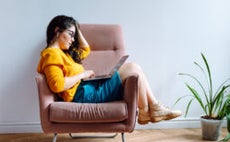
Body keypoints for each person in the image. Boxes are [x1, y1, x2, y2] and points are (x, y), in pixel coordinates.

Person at [37, 15, 182, 125]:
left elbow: (85, 49)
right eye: (70, 34)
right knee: (133, 67)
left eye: (73, 36)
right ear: (57, 31)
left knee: (135, 68)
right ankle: (150, 109)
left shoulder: (63, 53)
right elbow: (57, 85)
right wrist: (83, 74)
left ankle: (147, 110)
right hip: (82, 95)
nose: (73, 39)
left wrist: (76, 28)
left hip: (87, 89)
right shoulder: (51, 54)